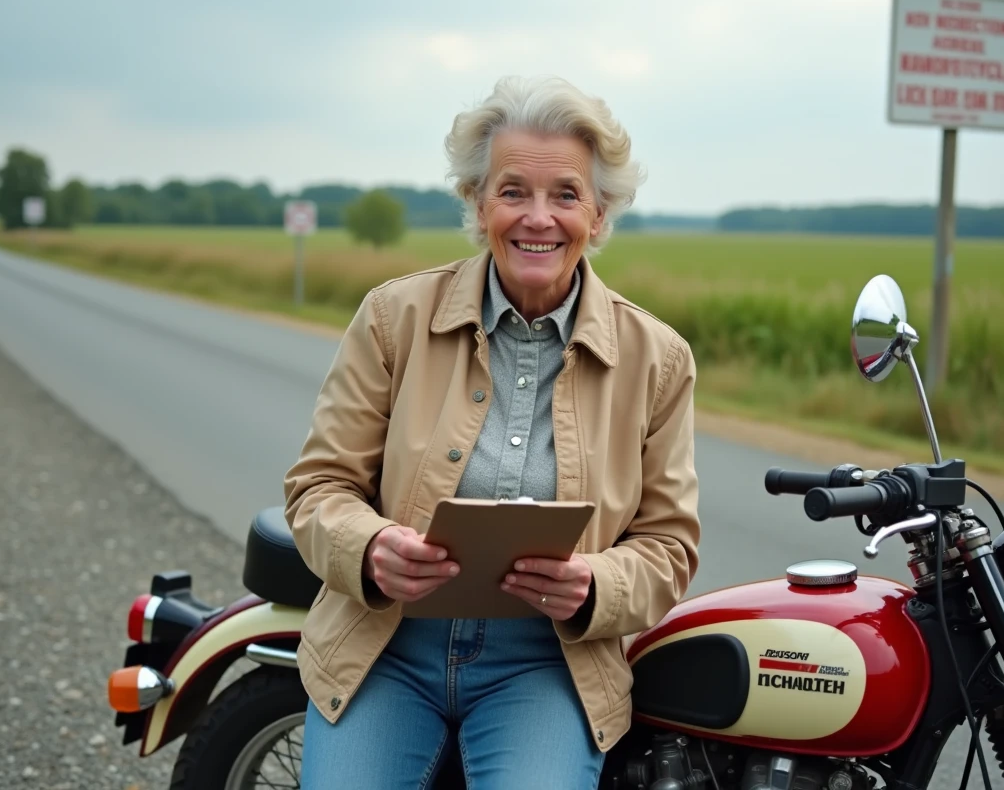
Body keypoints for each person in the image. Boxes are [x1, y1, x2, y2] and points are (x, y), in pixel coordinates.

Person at [284, 74, 701, 789]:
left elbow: (670, 545)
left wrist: (593, 584)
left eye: (565, 195)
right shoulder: (393, 319)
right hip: (384, 651)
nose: (538, 217)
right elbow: (318, 487)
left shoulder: (657, 359)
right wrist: (372, 546)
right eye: (513, 192)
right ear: (478, 206)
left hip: (544, 666)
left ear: (599, 215)